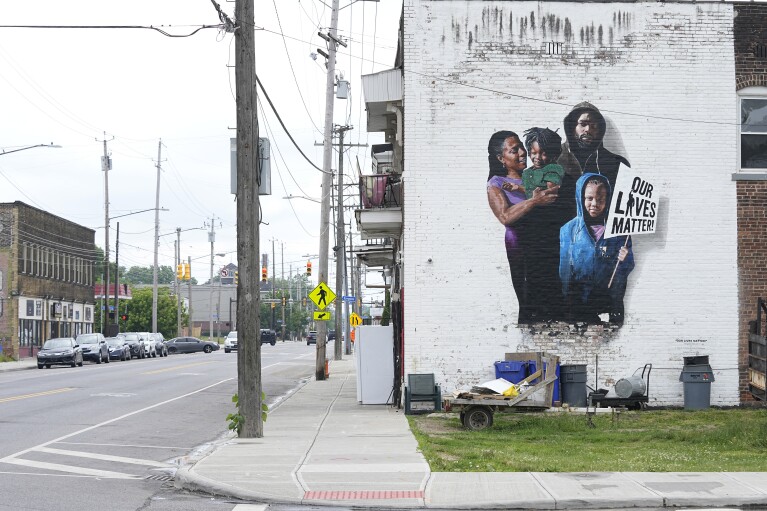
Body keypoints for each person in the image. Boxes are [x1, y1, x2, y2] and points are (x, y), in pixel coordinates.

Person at [486, 130, 558, 323]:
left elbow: (553, 194)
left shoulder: (532, 176)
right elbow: (505, 216)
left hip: (543, 244)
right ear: (501, 158)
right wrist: (533, 202)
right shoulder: (496, 183)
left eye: (521, 148)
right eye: (514, 150)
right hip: (520, 246)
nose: (522, 153)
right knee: (528, 298)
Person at [559, 173, 634, 325]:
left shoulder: (619, 231)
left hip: (608, 300)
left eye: (600, 200)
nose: (594, 203)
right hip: (578, 300)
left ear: (608, 200)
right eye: (589, 198)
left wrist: (626, 259)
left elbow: (627, 267)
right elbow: (564, 269)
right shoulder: (569, 230)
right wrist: (567, 299)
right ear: (580, 198)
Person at [558, 102, 630, 192]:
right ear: (572, 127)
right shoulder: (553, 157)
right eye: (583, 124)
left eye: (593, 126)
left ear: (600, 130)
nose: (588, 129)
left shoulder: (617, 164)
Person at [515, 127, 565, 199]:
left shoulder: (552, 171)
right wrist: (517, 187)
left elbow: (550, 194)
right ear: (529, 153)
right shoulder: (528, 172)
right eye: (534, 153)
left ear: (553, 154)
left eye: (543, 154)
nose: (537, 157)